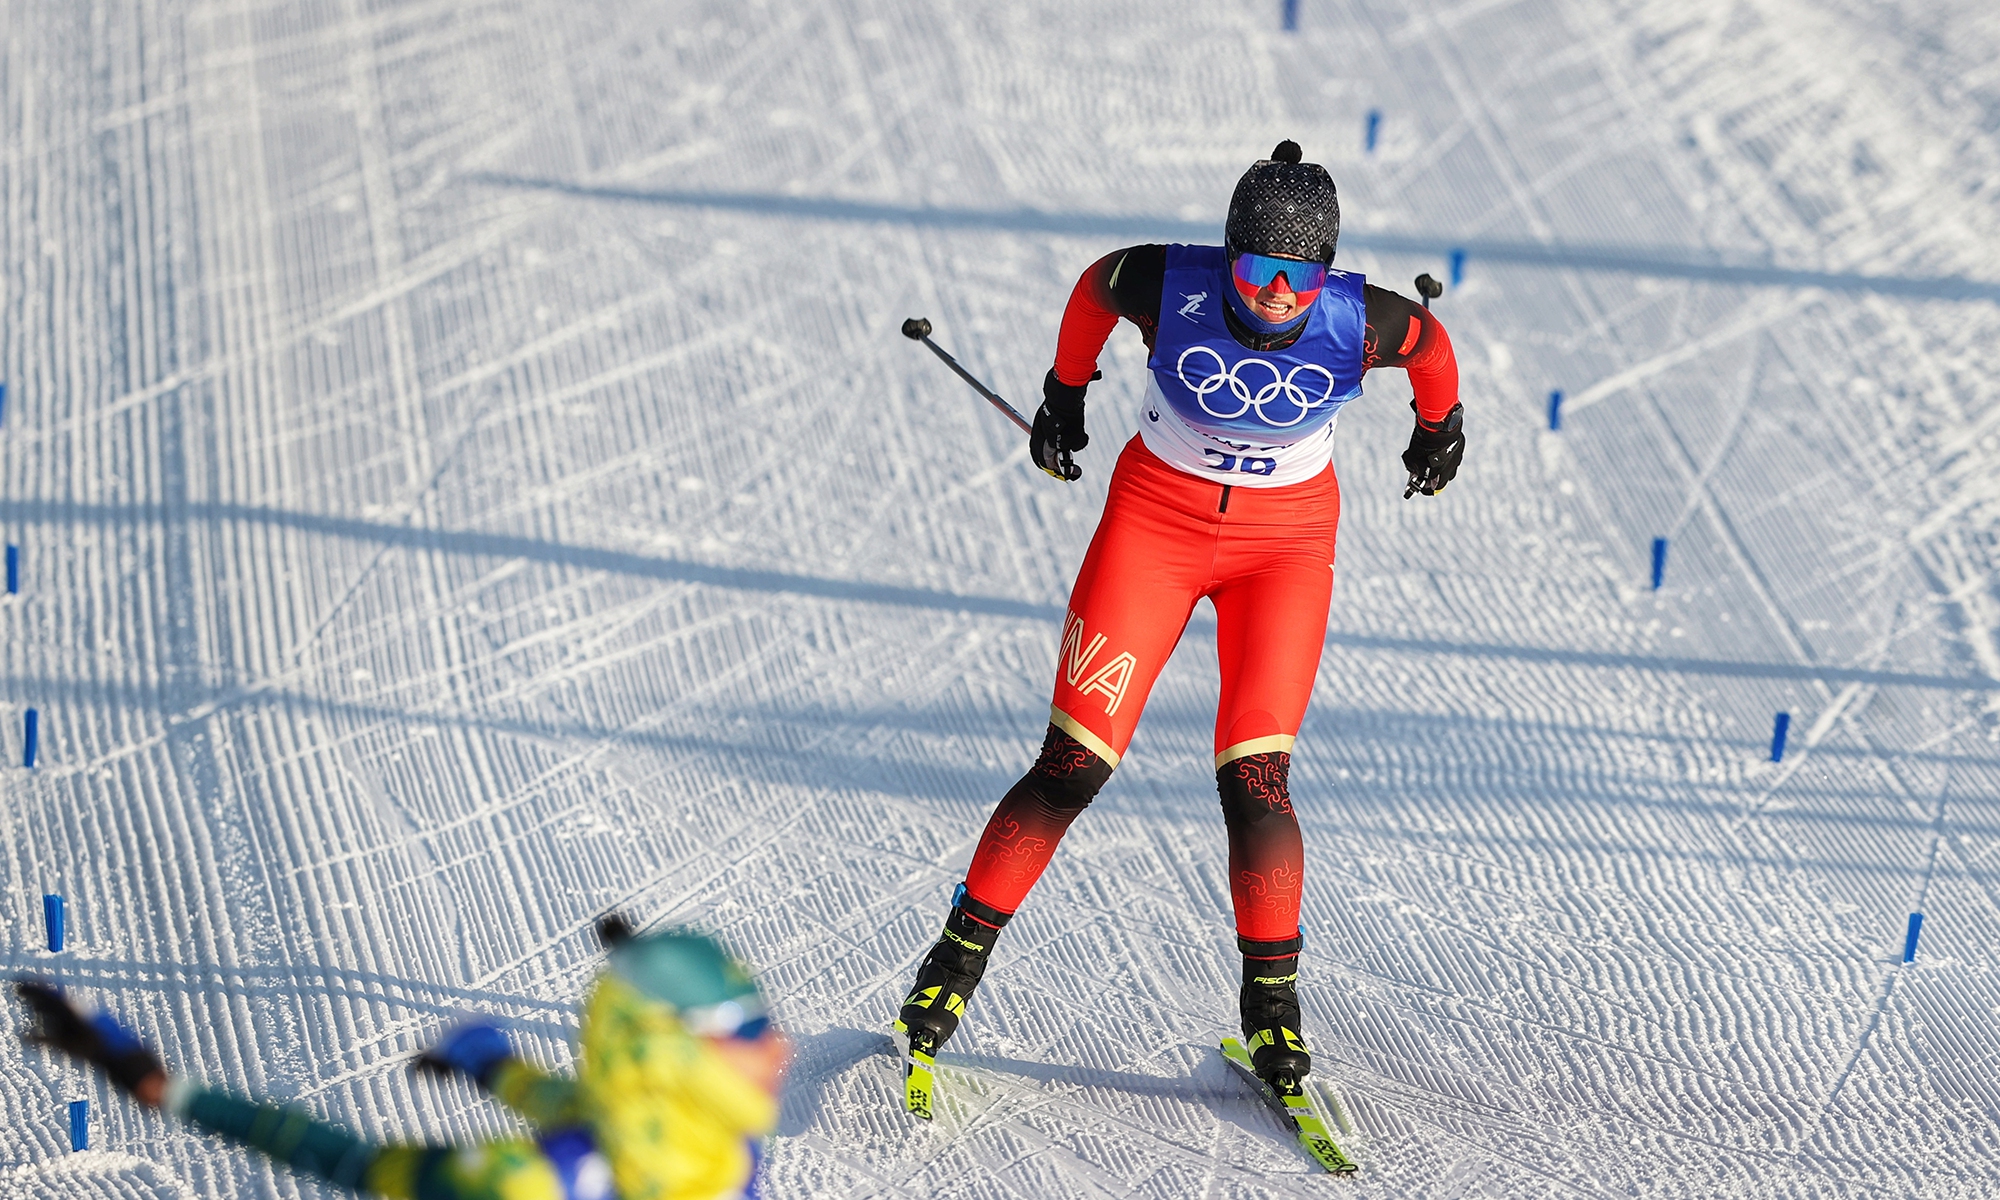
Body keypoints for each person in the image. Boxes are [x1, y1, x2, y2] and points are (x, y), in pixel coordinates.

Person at [896, 141, 1464, 1092]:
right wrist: (1064, 392)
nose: (1276, 293)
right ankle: (951, 968)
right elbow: (1093, 287)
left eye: (1299, 275)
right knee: (1072, 766)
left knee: (1258, 782)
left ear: (1325, 272)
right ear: (1228, 255)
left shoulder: (1363, 320)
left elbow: (1435, 351)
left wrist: (1441, 428)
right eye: (1258, 269)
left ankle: (1273, 1017)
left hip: (1284, 549)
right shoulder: (1165, 282)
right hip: (1154, 525)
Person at [15, 919, 790, 1200]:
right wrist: (167, 1090)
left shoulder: (719, 1147)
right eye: (747, 1028)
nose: (779, 1046)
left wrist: (485, 1059)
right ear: (664, 1051)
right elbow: (348, 1161)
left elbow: (566, 1103)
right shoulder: (533, 1184)